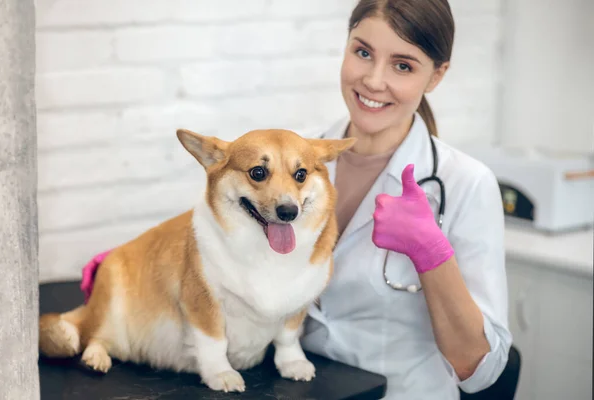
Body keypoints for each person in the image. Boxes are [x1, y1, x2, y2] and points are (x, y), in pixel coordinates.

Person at [80, 0, 512, 398]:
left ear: (436, 75)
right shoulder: (302, 154)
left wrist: (432, 255)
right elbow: (225, 222)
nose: (374, 80)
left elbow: (482, 369)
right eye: (362, 52)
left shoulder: (466, 185)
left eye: (403, 65)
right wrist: (133, 265)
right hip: (294, 386)